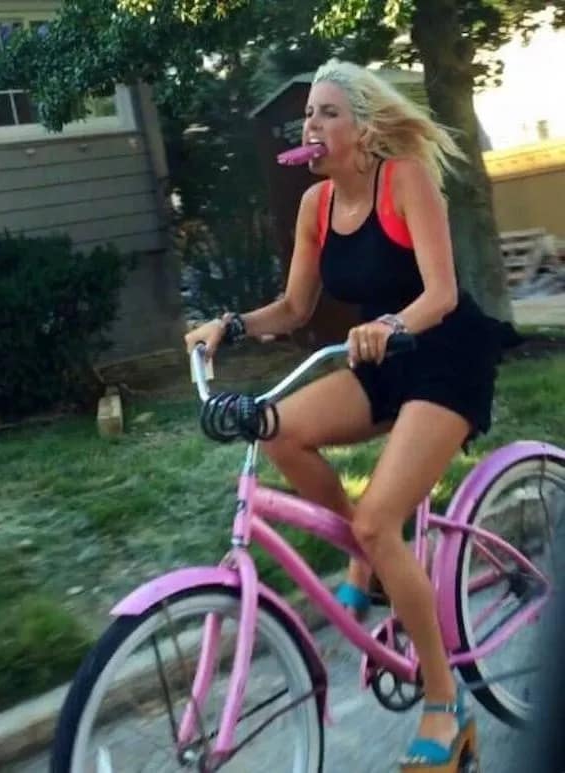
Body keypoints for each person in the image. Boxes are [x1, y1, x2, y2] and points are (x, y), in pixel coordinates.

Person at [185, 58, 502, 770]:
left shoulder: (405, 179)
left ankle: (445, 704)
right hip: (381, 360)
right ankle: (372, 561)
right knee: (276, 428)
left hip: (446, 355)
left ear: (364, 128)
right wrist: (228, 326)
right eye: (308, 114)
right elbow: (294, 308)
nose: (312, 125)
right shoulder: (316, 206)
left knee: (377, 519)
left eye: (328, 112)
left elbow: (442, 293)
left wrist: (391, 323)